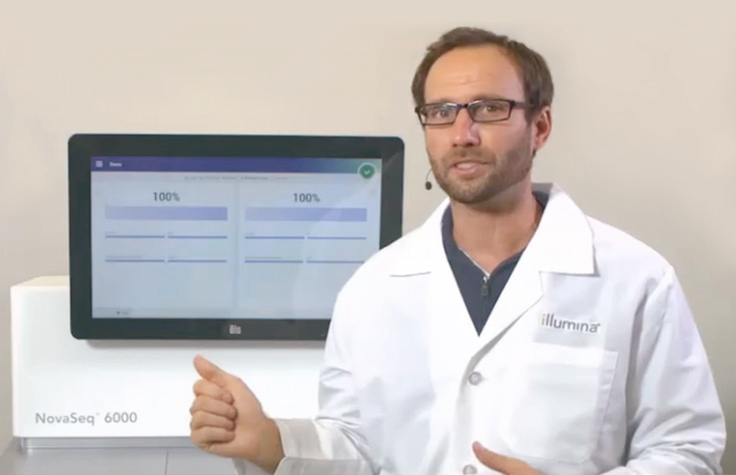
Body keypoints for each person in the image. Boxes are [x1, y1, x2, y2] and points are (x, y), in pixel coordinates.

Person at [188, 26, 727, 475]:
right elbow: (356, 446)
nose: (462, 133)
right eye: (441, 112)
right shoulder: (372, 289)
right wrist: (271, 443)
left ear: (539, 126)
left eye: (489, 109)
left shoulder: (635, 278)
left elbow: (688, 449)